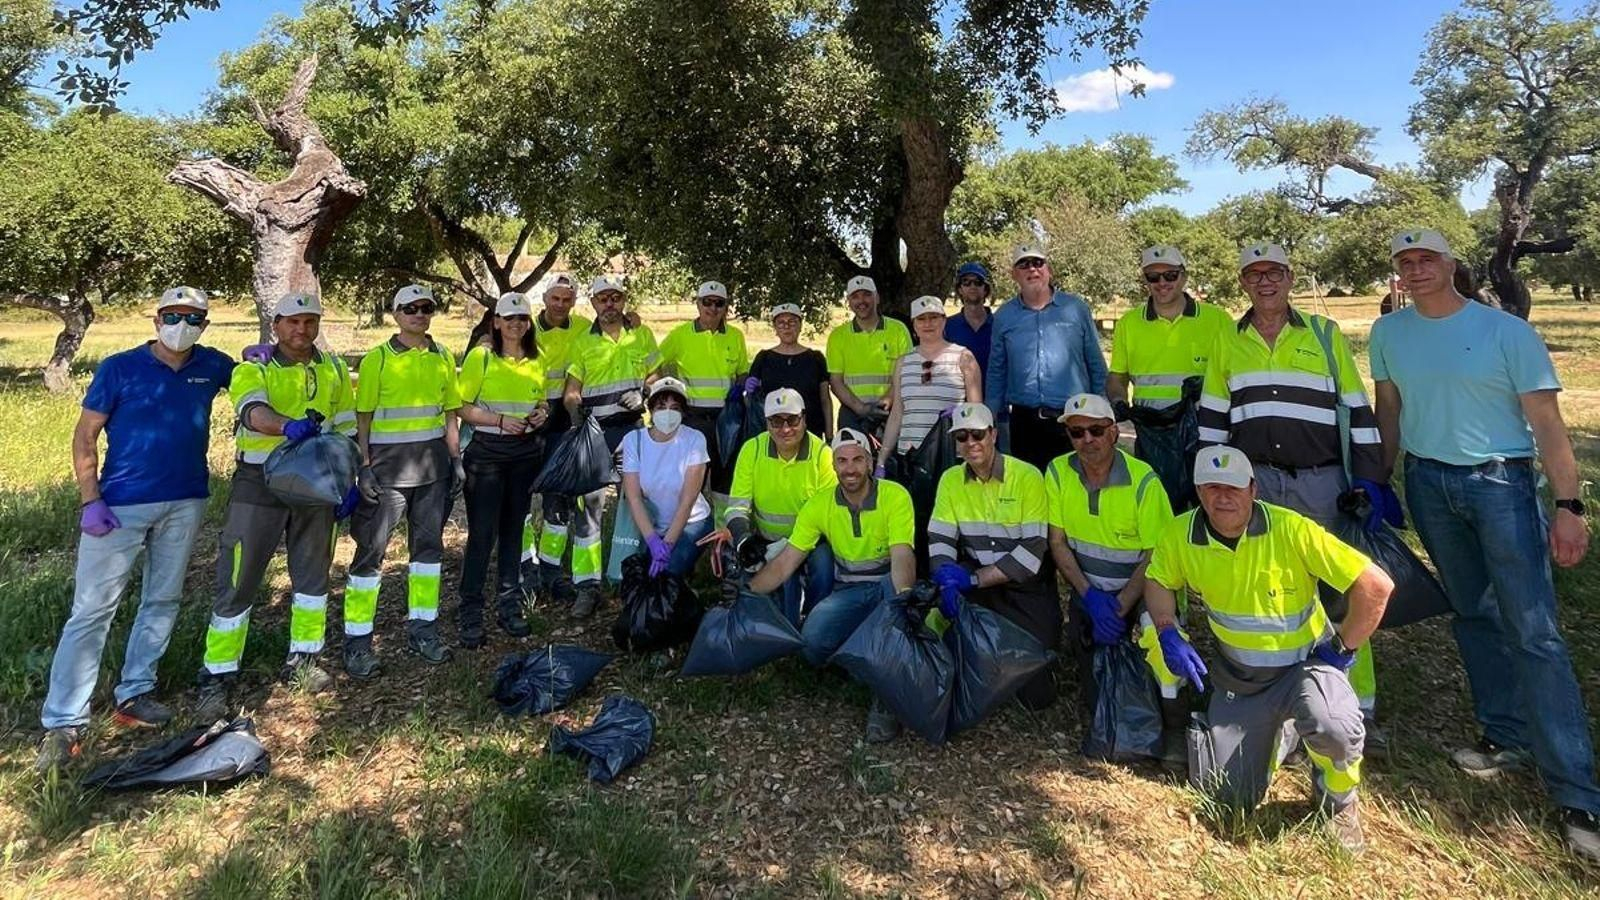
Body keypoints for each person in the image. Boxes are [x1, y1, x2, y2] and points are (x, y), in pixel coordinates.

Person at [1371, 228, 1600, 862]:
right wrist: (1380, 478)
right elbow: (1389, 410)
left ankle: (1577, 791)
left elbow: (1549, 424)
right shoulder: (1389, 334)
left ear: (1451, 265)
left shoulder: (1507, 333)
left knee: (1535, 630)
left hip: (1500, 482)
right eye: (1405, 262)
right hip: (1428, 482)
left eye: (1426, 260)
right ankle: (1505, 735)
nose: (1415, 271)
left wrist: (1568, 506)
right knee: (1474, 614)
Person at [1145, 446, 1394, 853]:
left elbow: (1376, 586)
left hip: (1303, 670)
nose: (1222, 497)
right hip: (1239, 680)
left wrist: (1341, 650)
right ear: (1197, 492)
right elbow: (1157, 581)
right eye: (1211, 488)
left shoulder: (1292, 529)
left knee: (1333, 723)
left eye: (1233, 488)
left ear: (1253, 489)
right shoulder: (1180, 533)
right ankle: (1284, 734)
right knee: (1225, 797)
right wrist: (1167, 629)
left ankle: (1338, 803)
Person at [1195, 241, 1390, 745]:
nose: (1265, 282)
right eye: (1254, 275)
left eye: (1274, 273)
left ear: (1289, 277)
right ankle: (1284, 693)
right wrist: (1213, 480)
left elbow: (1357, 409)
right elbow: (1214, 420)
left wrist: (1371, 478)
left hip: (1321, 479)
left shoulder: (1324, 335)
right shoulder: (1227, 341)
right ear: (1242, 283)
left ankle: (1355, 699)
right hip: (1256, 479)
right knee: (1270, 581)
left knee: (1339, 584)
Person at [37, 287, 233, 771]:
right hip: (119, 506)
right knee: (92, 610)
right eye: (173, 316)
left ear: (204, 325)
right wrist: (91, 499)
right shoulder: (119, 368)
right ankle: (64, 721)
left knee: (162, 599)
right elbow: (86, 435)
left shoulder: (211, 366)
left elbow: (254, 377)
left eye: (193, 318)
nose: (182, 325)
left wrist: (262, 354)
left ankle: (135, 692)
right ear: (156, 319)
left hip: (185, 500)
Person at [193, 292, 359, 721]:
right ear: (276, 325)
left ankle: (304, 661)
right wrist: (289, 426)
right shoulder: (254, 367)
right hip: (260, 482)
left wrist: (350, 479)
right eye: (292, 322)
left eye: (309, 322)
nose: (301, 330)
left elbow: (343, 426)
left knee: (313, 573)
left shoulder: (335, 368)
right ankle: (217, 675)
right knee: (240, 574)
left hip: (318, 483)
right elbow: (253, 413)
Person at [747, 428, 916, 741]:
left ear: (869, 462)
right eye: (842, 461)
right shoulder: (819, 504)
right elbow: (786, 563)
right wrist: (746, 592)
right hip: (848, 592)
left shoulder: (895, 495)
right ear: (834, 465)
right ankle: (862, 657)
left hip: (885, 588)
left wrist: (904, 600)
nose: (849, 468)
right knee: (811, 645)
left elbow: (903, 556)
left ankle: (886, 696)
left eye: (857, 460)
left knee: (897, 598)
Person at [1041, 393, 1179, 766]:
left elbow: (1155, 557)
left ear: (1115, 432)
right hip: (1091, 594)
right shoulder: (1056, 472)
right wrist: (1089, 596)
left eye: (1096, 430)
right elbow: (1058, 542)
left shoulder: (1144, 481)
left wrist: (1120, 608)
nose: (1087, 440)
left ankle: (1174, 729)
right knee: (1094, 684)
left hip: (1140, 590)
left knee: (1161, 645)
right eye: (1076, 432)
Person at [344, 284, 463, 676]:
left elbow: (449, 414)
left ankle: (423, 628)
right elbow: (363, 418)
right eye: (410, 308)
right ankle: (358, 641)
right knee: (371, 553)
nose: (418, 314)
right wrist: (363, 465)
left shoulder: (443, 356)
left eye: (426, 308)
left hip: (433, 472)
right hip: (388, 473)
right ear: (395, 314)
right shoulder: (378, 359)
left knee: (427, 553)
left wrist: (456, 459)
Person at [927, 402, 1056, 709]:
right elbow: (940, 538)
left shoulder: (1027, 476)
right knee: (964, 666)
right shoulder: (950, 480)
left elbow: (1033, 552)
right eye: (962, 437)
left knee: (1037, 694)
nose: (971, 443)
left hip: (1023, 585)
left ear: (994, 435)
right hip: (976, 579)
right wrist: (946, 577)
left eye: (978, 435)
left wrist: (973, 579)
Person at [454, 291, 549, 649]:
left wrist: (543, 413)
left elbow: (540, 399)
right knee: (482, 534)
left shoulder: (538, 359)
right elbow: (461, 406)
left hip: (524, 454)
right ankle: (471, 610)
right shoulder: (482, 357)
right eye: (509, 318)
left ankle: (508, 604)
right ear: (496, 322)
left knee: (514, 531)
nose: (516, 324)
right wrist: (499, 420)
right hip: (487, 454)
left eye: (522, 318)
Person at [562, 273, 660, 617]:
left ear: (624, 300)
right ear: (593, 303)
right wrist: (577, 417)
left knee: (637, 505)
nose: (609, 304)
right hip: (594, 435)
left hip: (633, 432)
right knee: (588, 510)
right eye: (603, 298)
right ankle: (587, 587)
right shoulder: (583, 342)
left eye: (615, 298)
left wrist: (645, 393)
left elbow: (654, 375)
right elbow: (572, 390)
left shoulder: (642, 335)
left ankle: (631, 576)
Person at [1106, 245, 1232, 509]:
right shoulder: (1129, 324)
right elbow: (1118, 377)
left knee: (1207, 506)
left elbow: (1235, 375)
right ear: (1145, 282)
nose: (1162, 283)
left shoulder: (1217, 320)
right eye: (1153, 277)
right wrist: (1118, 402)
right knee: (1158, 506)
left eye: (1170, 275)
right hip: (1152, 434)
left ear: (1184, 277)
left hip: (1203, 430)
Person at [701, 388, 836, 625]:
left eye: (792, 420)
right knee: (748, 591)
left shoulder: (822, 454)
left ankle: (816, 621)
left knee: (824, 565)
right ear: (766, 423)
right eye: (776, 421)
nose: (785, 429)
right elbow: (737, 507)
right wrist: (744, 539)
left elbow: (826, 515)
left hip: (810, 542)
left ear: (804, 418)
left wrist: (790, 547)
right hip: (763, 541)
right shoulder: (752, 449)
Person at [986, 242, 1107, 473]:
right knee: (1031, 490)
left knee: (1075, 487)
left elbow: (1095, 362)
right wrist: (990, 416)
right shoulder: (1004, 316)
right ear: (1014, 275)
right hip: (1025, 421)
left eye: (1038, 263)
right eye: (1024, 265)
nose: (1032, 269)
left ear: (1048, 269)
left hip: (1074, 418)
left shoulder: (1076, 309)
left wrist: (1102, 411)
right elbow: (997, 370)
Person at [658, 280, 749, 516]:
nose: (713, 308)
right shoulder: (680, 335)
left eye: (719, 303)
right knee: (689, 478)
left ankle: (721, 536)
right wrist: (664, 393)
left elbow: (742, 372)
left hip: (725, 420)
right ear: (698, 304)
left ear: (725, 307)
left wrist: (741, 386)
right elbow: (652, 363)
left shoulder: (735, 336)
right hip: (692, 419)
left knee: (724, 480)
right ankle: (688, 531)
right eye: (707, 302)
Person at [525, 274, 589, 605]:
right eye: (555, 298)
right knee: (521, 500)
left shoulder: (582, 328)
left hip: (564, 421)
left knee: (558, 500)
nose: (560, 305)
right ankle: (525, 569)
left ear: (574, 301)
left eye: (567, 299)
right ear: (545, 299)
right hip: (528, 419)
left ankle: (551, 571)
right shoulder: (525, 327)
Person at [620, 378, 714, 578]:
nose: (668, 413)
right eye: (661, 406)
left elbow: (688, 500)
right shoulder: (633, 441)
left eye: (675, 407)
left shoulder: (695, 439)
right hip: (651, 524)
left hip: (692, 522)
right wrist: (653, 541)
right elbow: (634, 497)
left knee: (667, 573)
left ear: (683, 412)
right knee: (638, 574)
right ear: (651, 410)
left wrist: (668, 544)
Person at [876, 296, 982, 471]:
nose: (928, 324)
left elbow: (975, 412)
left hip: (951, 455)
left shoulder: (964, 357)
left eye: (934, 317)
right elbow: (897, 413)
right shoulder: (903, 362)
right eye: (922, 319)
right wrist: (882, 459)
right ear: (914, 325)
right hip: (910, 457)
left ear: (943, 321)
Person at [826, 275, 912, 435]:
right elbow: (836, 381)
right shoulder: (838, 336)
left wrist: (885, 403)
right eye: (855, 296)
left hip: (891, 411)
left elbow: (906, 374)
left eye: (867, 294)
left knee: (890, 460)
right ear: (849, 302)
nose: (861, 301)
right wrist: (861, 409)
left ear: (877, 298)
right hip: (852, 413)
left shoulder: (898, 330)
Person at [747, 303, 833, 440]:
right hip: (773, 433)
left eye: (792, 322)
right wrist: (750, 389)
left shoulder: (816, 358)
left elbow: (825, 400)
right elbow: (751, 400)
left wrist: (829, 436)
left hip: (810, 433)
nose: (786, 327)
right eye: (781, 323)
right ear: (775, 328)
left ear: (800, 326)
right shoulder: (763, 358)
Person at [944, 262, 994, 379]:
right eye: (966, 282)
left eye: (978, 282)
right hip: (958, 395)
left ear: (985, 289)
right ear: (960, 289)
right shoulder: (947, 326)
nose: (972, 286)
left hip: (994, 395)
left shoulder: (1000, 325)